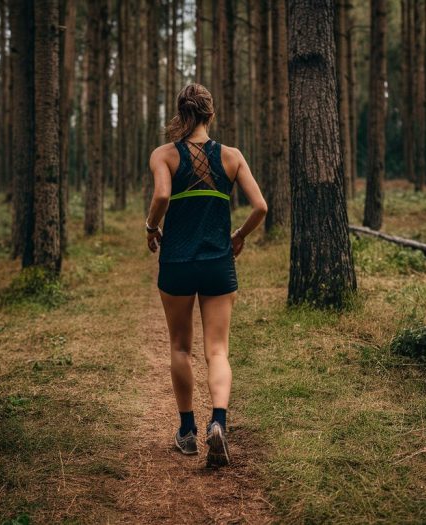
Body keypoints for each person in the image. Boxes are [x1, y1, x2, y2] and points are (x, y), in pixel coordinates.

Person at [145, 84, 267, 468]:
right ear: (210, 116)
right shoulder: (231, 157)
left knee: (181, 347)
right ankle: (218, 422)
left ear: (181, 114)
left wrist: (151, 227)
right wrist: (239, 236)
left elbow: (162, 197)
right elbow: (260, 206)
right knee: (218, 350)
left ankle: (187, 433)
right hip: (218, 261)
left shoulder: (164, 155)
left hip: (177, 263)